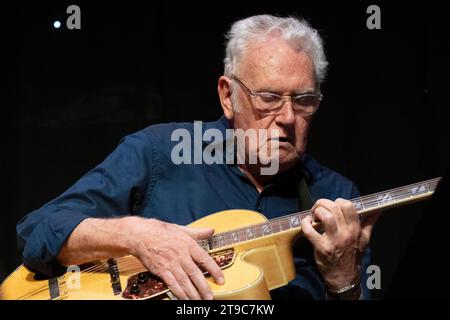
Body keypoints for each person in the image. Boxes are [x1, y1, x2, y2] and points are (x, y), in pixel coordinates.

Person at [17, 15, 378, 300]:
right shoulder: (158, 152)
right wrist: (135, 235)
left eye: (303, 101)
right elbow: (38, 230)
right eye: (268, 97)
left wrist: (344, 282)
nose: (287, 117)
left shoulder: (337, 197)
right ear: (227, 96)